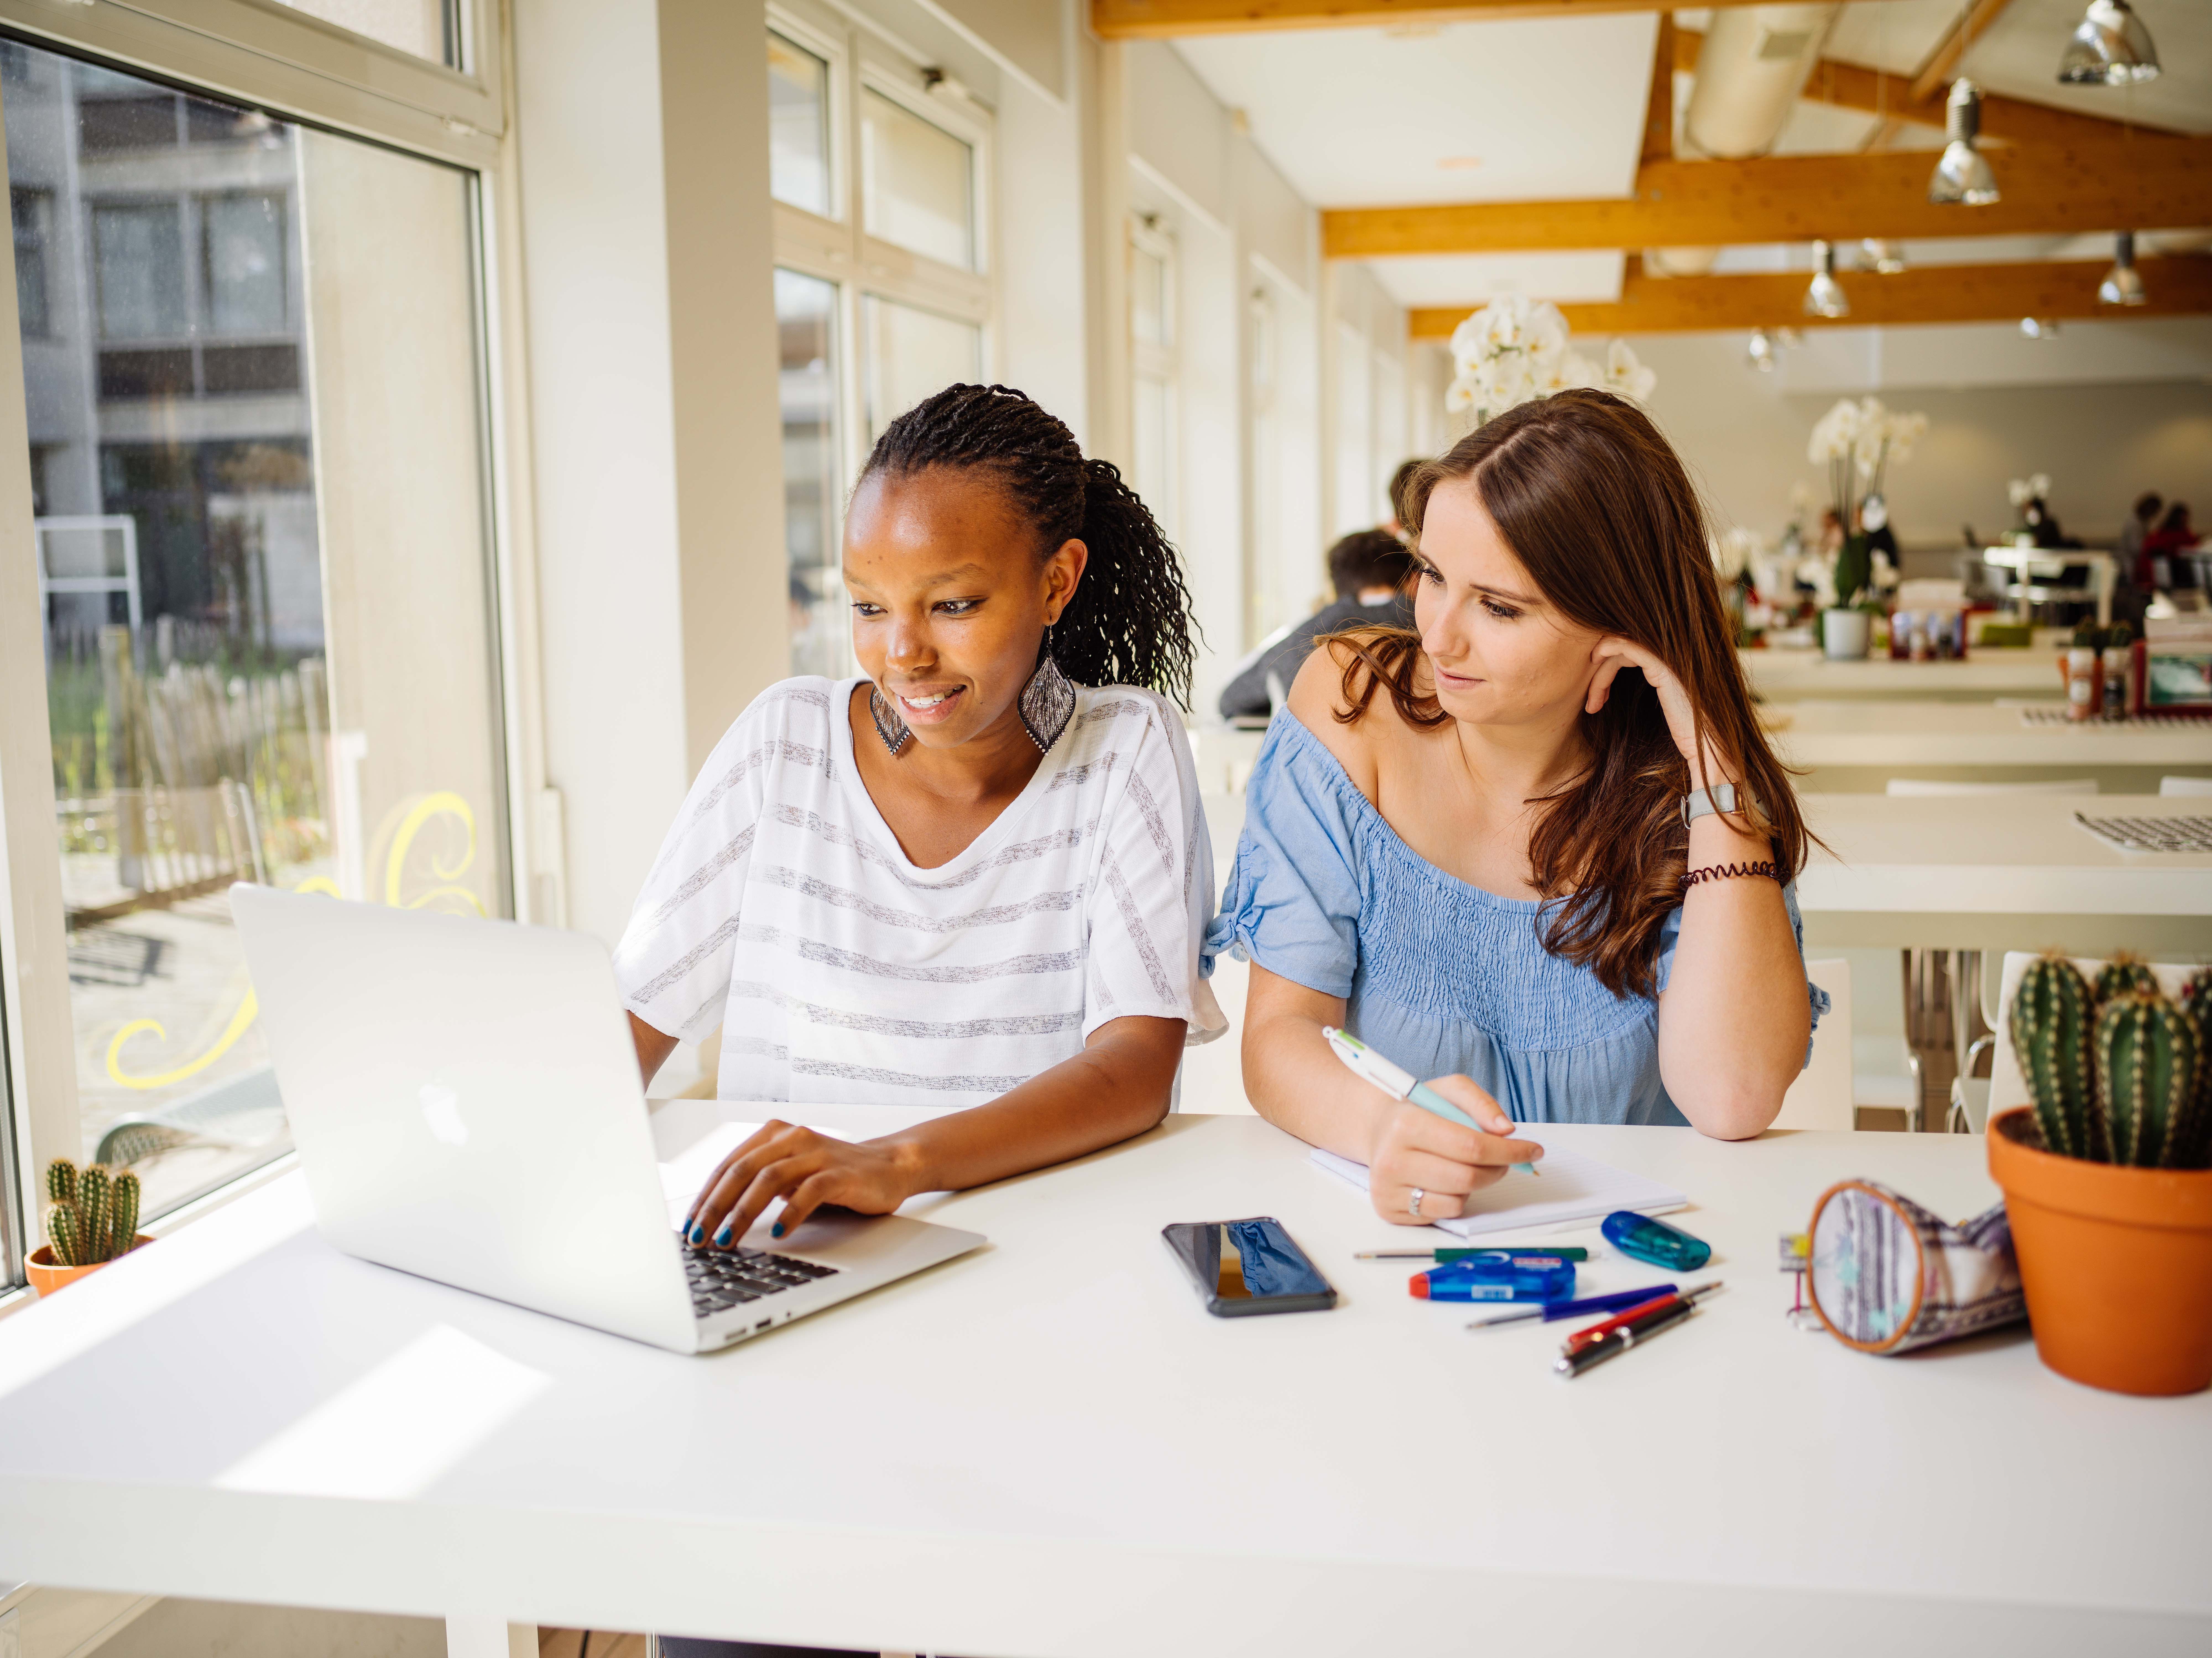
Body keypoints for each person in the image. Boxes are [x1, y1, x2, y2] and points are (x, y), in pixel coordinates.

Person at [618, 382, 1221, 1270]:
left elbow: (1135, 1066)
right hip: (783, 1252)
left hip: (1027, 1257)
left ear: (1056, 583)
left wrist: (896, 1164)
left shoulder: (1124, 748)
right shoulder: (784, 743)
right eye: (869, 606)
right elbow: (628, 1027)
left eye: (952, 605)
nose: (902, 653)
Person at [1207, 388, 1825, 1227]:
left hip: (1636, 1260)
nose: (1438, 635)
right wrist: (1382, 1128)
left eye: (1497, 607)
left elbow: (1731, 1095)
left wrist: (1710, 765)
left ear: (1619, 627)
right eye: (1431, 575)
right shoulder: (1351, 704)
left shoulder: (1687, 795)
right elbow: (1280, 1036)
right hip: (1397, 1242)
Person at [1216, 529, 1415, 720]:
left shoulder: (1309, 633)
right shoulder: (1420, 623)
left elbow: (1232, 701)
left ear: (1335, 586)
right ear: (1410, 579)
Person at [2120, 491, 2163, 586]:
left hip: (2135, 562)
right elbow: (2135, 548)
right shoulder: (2135, 523)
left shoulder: (2142, 522)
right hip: (2130, 563)